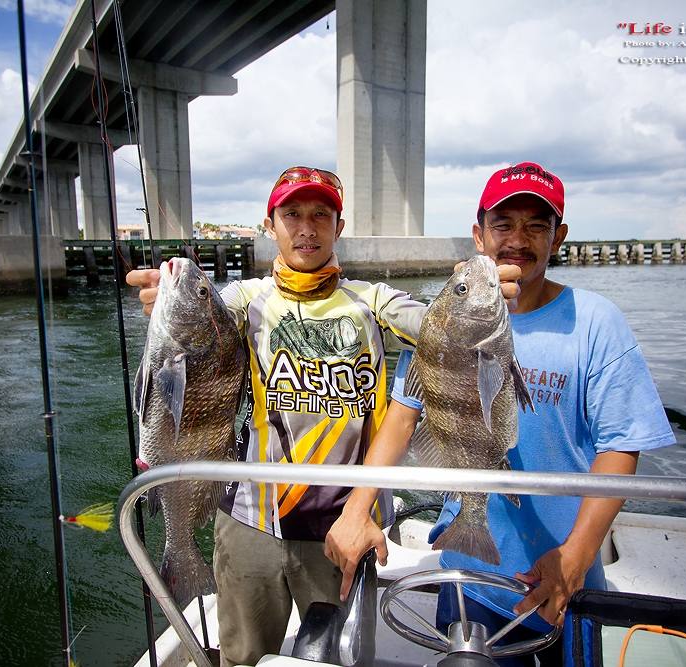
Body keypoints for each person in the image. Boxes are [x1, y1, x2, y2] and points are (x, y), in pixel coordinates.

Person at [126, 165, 521, 667]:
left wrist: (486, 304)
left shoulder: (374, 301)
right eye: (292, 214)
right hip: (250, 520)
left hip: (344, 526)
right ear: (270, 225)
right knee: (242, 657)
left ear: (339, 225)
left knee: (337, 658)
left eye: (321, 214)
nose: (306, 228)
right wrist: (165, 302)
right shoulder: (243, 301)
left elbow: (438, 326)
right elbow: (200, 322)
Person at [324, 162, 676, 666]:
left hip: (561, 576)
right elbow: (402, 420)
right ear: (479, 234)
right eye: (503, 224)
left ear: (559, 238)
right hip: (469, 578)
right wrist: (356, 510)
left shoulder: (597, 322)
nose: (518, 239)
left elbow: (620, 445)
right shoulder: (439, 323)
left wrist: (576, 556)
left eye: (537, 225)